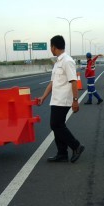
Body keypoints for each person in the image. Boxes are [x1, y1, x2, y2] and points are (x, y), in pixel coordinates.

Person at [37, 35, 85, 163]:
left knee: (56, 125)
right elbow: (52, 83)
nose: (50, 49)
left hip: (63, 100)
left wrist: (75, 100)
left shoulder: (67, 61)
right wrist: (43, 97)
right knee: (57, 125)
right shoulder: (58, 62)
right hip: (56, 99)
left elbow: (74, 81)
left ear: (54, 47)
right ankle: (62, 153)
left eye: (50, 46)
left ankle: (76, 146)